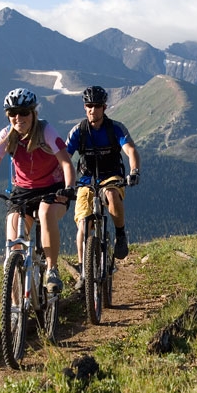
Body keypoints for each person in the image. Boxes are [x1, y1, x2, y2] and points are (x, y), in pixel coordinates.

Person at [0, 87, 76, 292]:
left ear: (34, 113)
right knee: (14, 243)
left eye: (24, 112)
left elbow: (66, 163)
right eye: (12, 113)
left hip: (53, 189)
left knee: (45, 213)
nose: (18, 118)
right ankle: (16, 312)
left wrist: (69, 188)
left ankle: (52, 270)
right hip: (22, 192)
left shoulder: (46, 131)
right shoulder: (6, 135)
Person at [66, 86, 141, 289]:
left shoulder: (115, 128)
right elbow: (64, 158)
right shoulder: (78, 131)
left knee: (111, 194)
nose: (93, 110)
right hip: (86, 181)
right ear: (85, 107)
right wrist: (63, 182)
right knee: (83, 224)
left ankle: (120, 235)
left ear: (104, 107)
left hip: (111, 177)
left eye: (97, 106)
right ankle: (83, 271)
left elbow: (130, 149)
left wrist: (134, 171)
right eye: (89, 106)